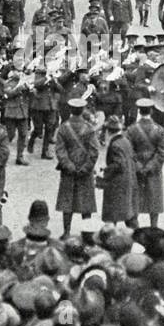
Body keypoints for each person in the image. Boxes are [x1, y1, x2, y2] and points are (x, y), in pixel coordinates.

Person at [53, 97, 98, 234]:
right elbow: (94, 151)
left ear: (71, 110)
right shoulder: (89, 128)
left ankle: (66, 232)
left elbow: (60, 150)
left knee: (67, 201)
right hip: (85, 170)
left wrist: (69, 165)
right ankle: (87, 232)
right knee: (86, 202)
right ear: (83, 110)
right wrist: (86, 167)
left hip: (68, 171)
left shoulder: (63, 128)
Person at [125, 98, 164, 228]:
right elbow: (162, 153)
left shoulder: (131, 130)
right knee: (154, 201)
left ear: (139, 110)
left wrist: (137, 166)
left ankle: (135, 231)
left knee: (135, 201)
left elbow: (128, 152)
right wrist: (150, 166)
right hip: (153, 171)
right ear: (152, 111)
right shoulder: (159, 130)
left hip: (136, 172)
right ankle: (154, 229)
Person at [99, 115, 137, 228]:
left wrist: (104, 172)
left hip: (117, 185)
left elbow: (118, 164)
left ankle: (111, 240)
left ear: (108, 132)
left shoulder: (114, 145)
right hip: (128, 181)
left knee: (111, 216)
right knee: (128, 216)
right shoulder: (125, 141)